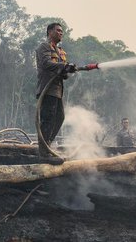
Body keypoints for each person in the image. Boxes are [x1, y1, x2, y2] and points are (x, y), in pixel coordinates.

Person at [35, 23, 78, 165]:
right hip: (47, 90)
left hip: (57, 90)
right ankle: (44, 153)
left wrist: (67, 70)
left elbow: (62, 74)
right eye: (58, 30)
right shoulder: (44, 46)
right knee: (48, 119)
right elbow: (46, 63)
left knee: (59, 118)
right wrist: (64, 66)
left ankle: (47, 145)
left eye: (62, 31)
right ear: (49, 32)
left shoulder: (60, 51)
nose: (61, 33)